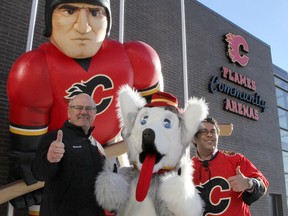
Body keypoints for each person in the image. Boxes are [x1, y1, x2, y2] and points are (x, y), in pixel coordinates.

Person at [6, 0, 162, 211]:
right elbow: (29, 150)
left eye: (95, 12)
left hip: (109, 153)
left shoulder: (138, 58)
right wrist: (29, 171)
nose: (83, 26)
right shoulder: (33, 68)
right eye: (69, 10)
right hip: (59, 159)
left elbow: (157, 120)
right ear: (49, 18)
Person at [32, 93, 106, 216]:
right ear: (69, 112)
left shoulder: (97, 146)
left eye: (88, 108)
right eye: (78, 107)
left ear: (94, 113)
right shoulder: (55, 138)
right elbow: (38, 173)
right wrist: (49, 160)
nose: (83, 112)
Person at [191, 117, 269, 216]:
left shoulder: (236, 159)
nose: (209, 134)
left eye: (213, 132)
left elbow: (263, 184)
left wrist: (248, 183)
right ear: (195, 138)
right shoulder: (186, 168)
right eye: (204, 131)